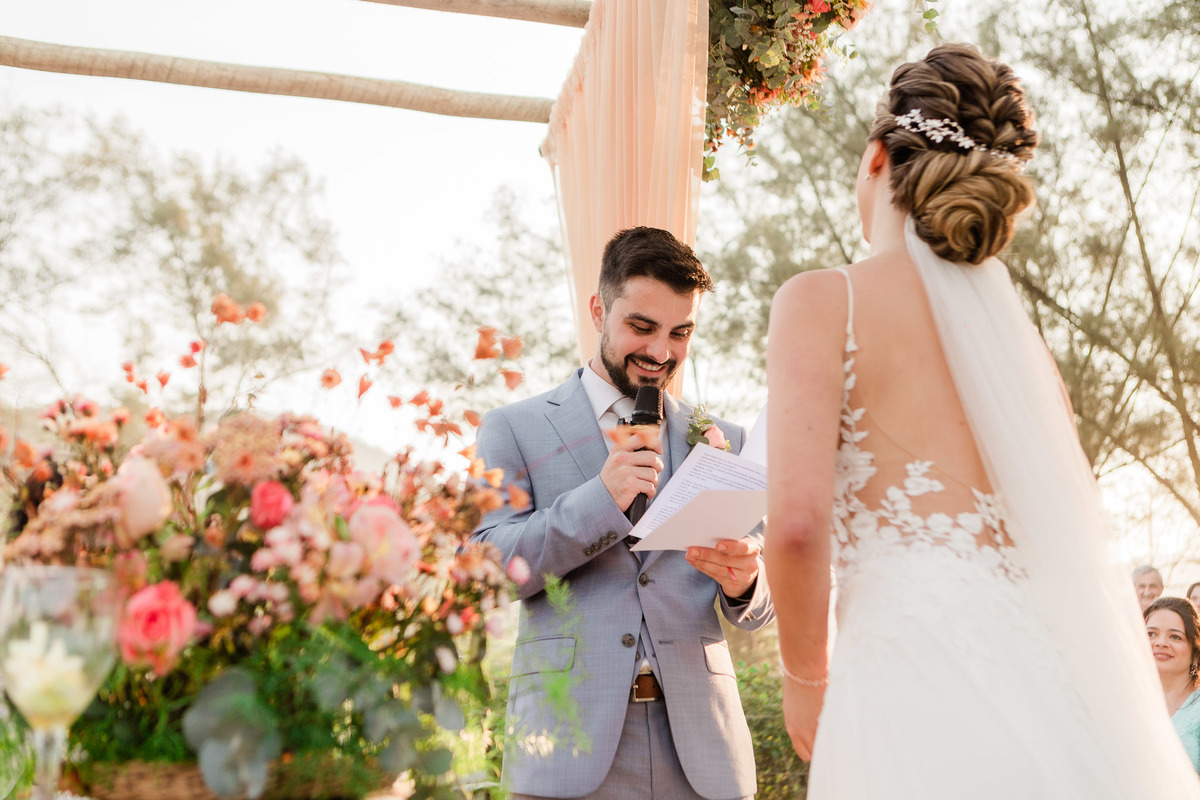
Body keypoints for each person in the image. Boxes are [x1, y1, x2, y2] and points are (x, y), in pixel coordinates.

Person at [764, 42, 1200, 798]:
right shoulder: (1021, 351)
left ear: (876, 160)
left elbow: (796, 527)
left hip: (904, 676)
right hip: (1045, 682)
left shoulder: (822, 298)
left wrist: (804, 678)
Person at [472, 226, 774, 800]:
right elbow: (486, 567)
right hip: (566, 748)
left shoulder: (724, 439)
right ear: (598, 310)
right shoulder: (514, 428)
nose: (661, 353)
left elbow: (764, 607)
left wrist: (748, 582)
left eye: (680, 333)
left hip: (701, 754)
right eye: (641, 327)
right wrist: (599, 501)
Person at [1144, 596, 1200, 773]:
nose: (1160, 643)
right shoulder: (1126, 700)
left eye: (1175, 636)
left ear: (1195, 651)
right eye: (1151, 634)